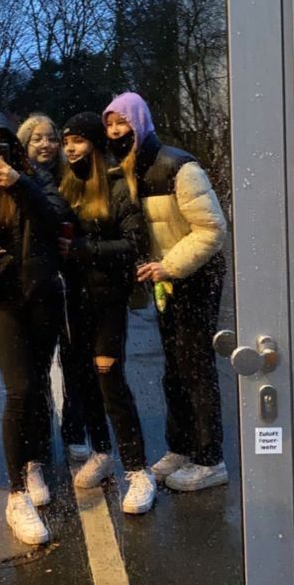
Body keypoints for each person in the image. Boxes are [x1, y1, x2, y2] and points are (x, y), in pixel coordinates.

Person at [103, 92, 228, 492]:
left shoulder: (179, 166)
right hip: (166, 281)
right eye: (109, 124)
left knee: (196, 369)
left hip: (194, 278)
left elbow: (212, 229)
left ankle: (210, 459)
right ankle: (182, 447)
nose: (115, 130)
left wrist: (169, 265)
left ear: (139, 121)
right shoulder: (128, 170)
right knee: (174, 369)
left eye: (122, 121)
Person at [0, 111, 66, 546]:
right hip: (3, 301)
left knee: (39, 382)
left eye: (0, 143)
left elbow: (55, 215)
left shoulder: (32, 178)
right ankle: (16, 494)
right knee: (19, 389)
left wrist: (18, 182)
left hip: (42, 296)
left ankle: (35, 461)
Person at [59, 112, 156, 514]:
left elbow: (134, 245)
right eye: (67, 142)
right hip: (73, 303)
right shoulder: (65, 188)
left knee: (109, 379)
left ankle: (138, 470)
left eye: (78, 141)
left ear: (95, 146)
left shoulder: (117, 187)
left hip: (108, 302)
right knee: (83, 382)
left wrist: (85, 250)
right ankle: (102, 451)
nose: (70, 149)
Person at [17, 113, 110, 465]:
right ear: (24, 144)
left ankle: (75, 430)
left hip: (74, 278)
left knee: (76, 360)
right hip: (36, 282)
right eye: (37, 138)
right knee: (34, 366)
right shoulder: (19, 179)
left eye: (51, 137)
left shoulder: (73, 175)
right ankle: (37, 440)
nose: (47, 144)